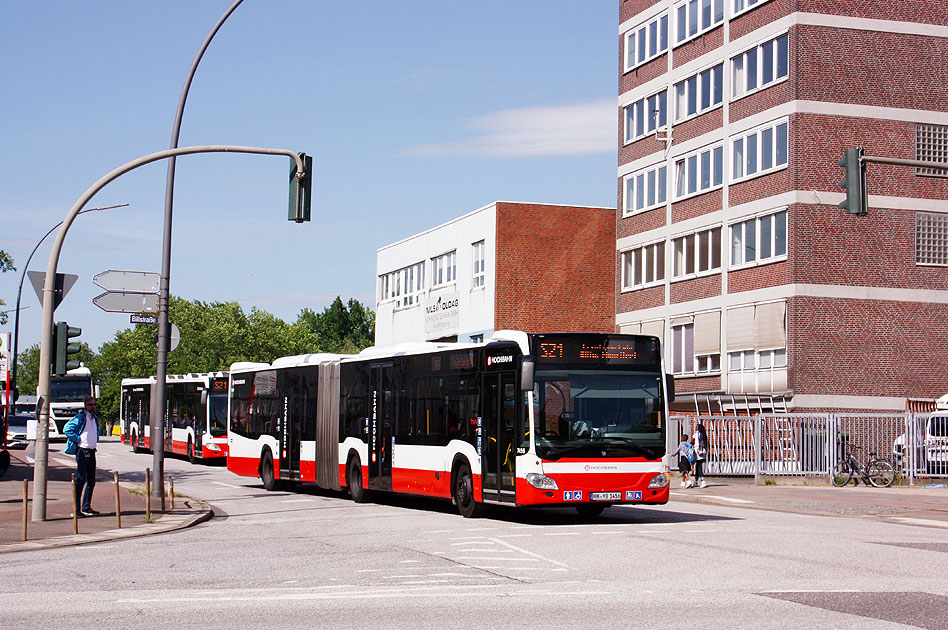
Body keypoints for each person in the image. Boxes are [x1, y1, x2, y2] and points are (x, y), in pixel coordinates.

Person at [63, 396, 100, 517]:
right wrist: (78, 440)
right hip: (82, 451)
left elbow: (94, 431)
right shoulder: (80, 417)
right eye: (90, 405)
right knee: (81, 480)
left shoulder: (95, 418)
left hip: (91, 450)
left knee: (91, 480)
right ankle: (76, 509)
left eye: (94, 404)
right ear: (85, 406)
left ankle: (86, 507)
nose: (92, 407)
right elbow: (67, 429)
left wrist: (95, 440)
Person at [692, 422, 709, 488]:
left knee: (698, 466)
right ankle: (696, 481)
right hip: (702, 452)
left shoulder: (696, 434)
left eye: (696, 427)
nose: (695, 428)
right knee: (698, 466)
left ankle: (702, 480)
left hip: (697, 451)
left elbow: (692, 441)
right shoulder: (704, 435)